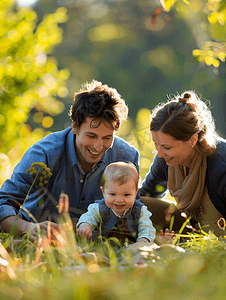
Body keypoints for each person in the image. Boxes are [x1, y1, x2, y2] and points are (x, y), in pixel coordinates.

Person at [0, 80, 139, 241]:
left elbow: (135, 214)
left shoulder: (127, 157)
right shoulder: (44, 154)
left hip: (97, 245)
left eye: (107, 138)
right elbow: (4, 202)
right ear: (75, 126)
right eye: (91, 136)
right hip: (41, 241)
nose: (98, 146)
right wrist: (28, 228)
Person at [139, 91, 226, 238]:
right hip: (193, 227)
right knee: (136, 205)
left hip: (220, 237)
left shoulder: (221, 164)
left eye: (167, 147)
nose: (159, 153)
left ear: (192, 140)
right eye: (156, 144)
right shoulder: (165, 159)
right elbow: (147, 194)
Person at [77, 162, 156, 245]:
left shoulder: (140, 211)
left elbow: (147, 228)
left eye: (126, 195)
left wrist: (144, 239)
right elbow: (89, 216)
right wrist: (85, 225)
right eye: (113, 194)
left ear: (136, 192)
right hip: (104, 248)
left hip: (130, 251)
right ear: (103, 192)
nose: (119, 200)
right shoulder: (99, 208)